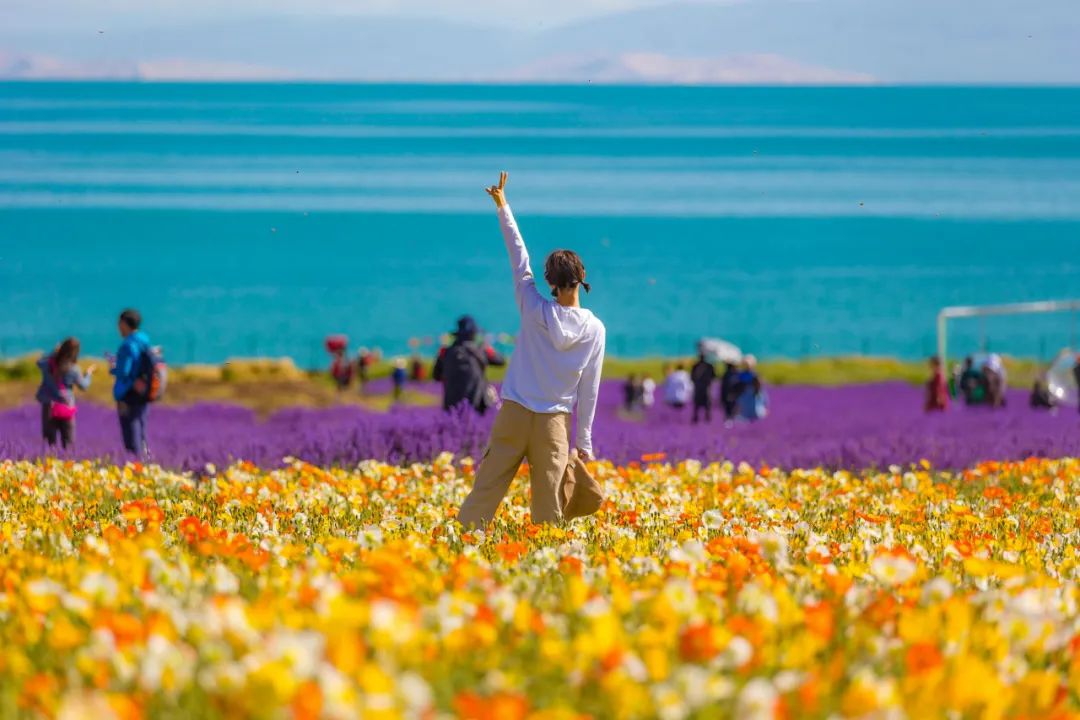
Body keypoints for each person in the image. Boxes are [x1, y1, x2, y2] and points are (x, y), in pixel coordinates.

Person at [457, 172, 605, 529]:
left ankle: (461, 545)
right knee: (549, 505)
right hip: (553, 422)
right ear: (581, 276)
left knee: (486, 490)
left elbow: (518, 259)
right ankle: (546, 562)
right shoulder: (595, 329)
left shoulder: (533, 306)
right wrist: (583, 441)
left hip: (514, 413)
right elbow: (589, 390)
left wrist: (503, 205)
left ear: (550, 282)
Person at [432, 315, 507, 413]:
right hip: (477, 404)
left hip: (451, 405)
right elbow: (501, 361)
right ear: (473, 334)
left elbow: (436, 376)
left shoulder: (445, 352)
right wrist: (488, 348)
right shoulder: (481, 350)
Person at [35, 337, 93, 449]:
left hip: (49, 407)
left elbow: (38, 362)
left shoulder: (48, 363)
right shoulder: (74, 369)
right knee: (69, 443)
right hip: (65, 407)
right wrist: (88, 374)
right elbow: (84, 386)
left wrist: (53, 352)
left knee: (49, 443)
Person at [110, 308, 152, 456]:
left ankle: (135, 463)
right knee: (141, 428)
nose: (118, 327)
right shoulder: (144, 340)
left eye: (119, 323)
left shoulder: (128, 345)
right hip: (144, 390)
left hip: (128, 393)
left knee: (130, 431)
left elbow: (125, 372)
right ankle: (145, 460)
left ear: (124, 323)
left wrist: (114, 368)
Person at [734, 355, 768, 421]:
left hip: (749, 397)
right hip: (746, 397)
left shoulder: (752, 375)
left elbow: (760, 389)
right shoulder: (751, 375)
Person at [690, 352, 715, 424]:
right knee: (704, 403)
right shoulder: (709, 366)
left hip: (699, 387)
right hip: (704, 387)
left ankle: (702, 417)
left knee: (700, 403)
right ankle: (704, 417)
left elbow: (692, 377)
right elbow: (714, 376)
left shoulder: (696, 366)